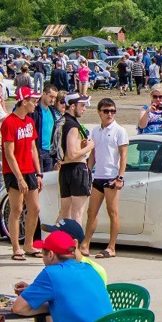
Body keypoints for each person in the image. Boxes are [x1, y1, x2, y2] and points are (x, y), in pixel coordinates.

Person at [82, 98, 128, 259]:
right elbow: (93, 154)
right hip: (98, 176)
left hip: (111, 176)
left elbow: (123, 156)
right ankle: (85, 244)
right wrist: (87, 170)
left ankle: (111, 246)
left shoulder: (119, 131)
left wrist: (120, 177)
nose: (110, 114)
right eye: (106, 111)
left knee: (112, 212)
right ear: (99, 112)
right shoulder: (95, 130)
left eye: (112, 111)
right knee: (91, 212)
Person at [2, 86, 44, 261]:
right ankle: (16, 247)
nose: (35, 104)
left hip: (29, 170)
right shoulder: (9, 122)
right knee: (17, 209)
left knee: (34, 208)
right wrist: (19, 178)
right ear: (23, 101)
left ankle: (29, 244)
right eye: (33, 101)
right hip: (14, 171)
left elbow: (33, 148)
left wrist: (38, 173)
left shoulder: (29, 121)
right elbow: (9, 153)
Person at [57, 93, 93, 227]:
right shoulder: (72, 125)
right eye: (82, 105)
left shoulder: (61, 121)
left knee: (64, 213)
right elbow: (72, 154)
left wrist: (80, 146)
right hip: (77, 169)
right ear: (72, 106)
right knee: (77, 213)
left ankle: (53, 244)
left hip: (65, 170)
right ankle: (74, 245)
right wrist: (89, 146)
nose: (84, 109)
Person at [31, 84, 60, 173]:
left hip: (48, 151)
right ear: (44, 94)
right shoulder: (35, 110)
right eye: (51, 96)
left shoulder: (52, 111)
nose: (53, 100)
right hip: (37, 149)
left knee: (47, 181)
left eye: (55, 97)